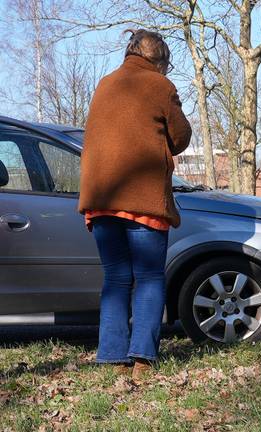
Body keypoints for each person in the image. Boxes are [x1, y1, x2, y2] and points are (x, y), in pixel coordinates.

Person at [78, 29, 192, 379]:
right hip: (144, 201)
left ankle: (112, 354)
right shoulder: (160, 86)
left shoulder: (105, 84)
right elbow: (181, 137)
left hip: (101, 201)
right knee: (149, 277)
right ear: (160, 60)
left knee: (115, 277)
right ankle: (142, 358)